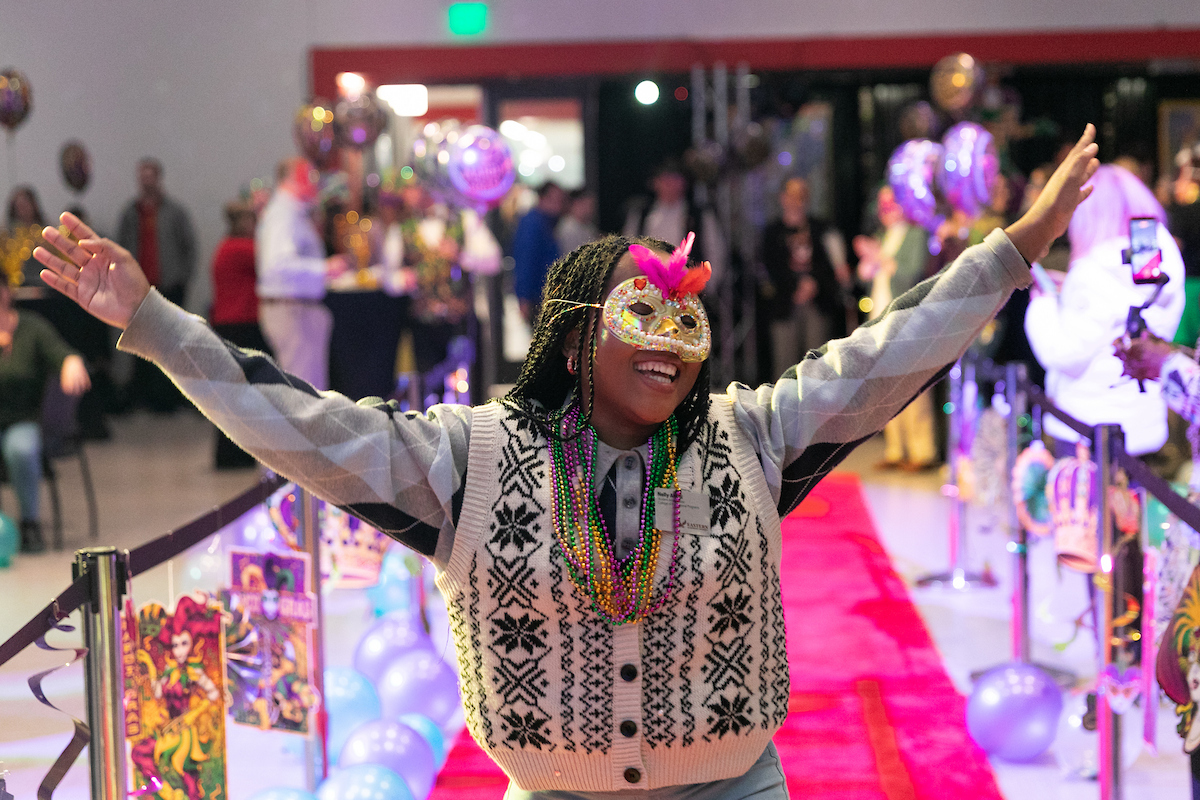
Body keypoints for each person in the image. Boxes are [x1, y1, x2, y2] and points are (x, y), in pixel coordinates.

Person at [35, 126, 1101, 800]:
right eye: (643, 314)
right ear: (577, 331)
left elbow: (888, 351)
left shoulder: (752, 435)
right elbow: (295, 421)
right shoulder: (468, 460)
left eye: (688, 322)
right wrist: (155, 322)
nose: (672, 344)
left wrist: (1016, 247)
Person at [1025, 163, 1185, 458]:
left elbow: (1063, 350)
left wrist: (1043, 305)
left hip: (1086, 425)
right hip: (1145, 422)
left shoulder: (1091, 270)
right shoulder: (1163, 261)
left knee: (1082, 503)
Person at [0, 278, 91, 552]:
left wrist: (71, 361)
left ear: (7, 292)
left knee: (20, 449)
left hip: (23, 419)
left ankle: (30, 523)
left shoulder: (31, 327)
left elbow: (62, 353)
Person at [854, 185, 937, 470]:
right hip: (880, 320)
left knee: (912, 385)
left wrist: (881, 260)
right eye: (882, 202)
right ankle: (896, 450)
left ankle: (922, 451)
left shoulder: (916, 234)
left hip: (907, 320)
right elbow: (869, 277)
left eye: (890, 201)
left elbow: (912, 275)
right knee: (886, 388)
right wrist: (869, 261)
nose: (885, 208)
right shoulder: (883, 235)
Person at [255, 158, 348, 391]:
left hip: (297, 309)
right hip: (292, 311)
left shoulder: (292, 212)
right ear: (293, 179)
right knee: (304, 394)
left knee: (308, 391)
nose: (316, 183)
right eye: (310, 176)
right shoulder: (284, 214)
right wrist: (325, 269)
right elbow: (277, 265)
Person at [116, 158, 196, 411]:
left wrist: (183, 277)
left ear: (158, 178)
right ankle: (143, 397)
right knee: (141, 342)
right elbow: (120, 247)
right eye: (142, 176)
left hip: (169, 285)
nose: (146, 180)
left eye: (151, 175)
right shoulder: (131, 212)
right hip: (139, 287)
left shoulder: (174, 211)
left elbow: (189, 246)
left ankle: (170, 398)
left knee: (170, 343)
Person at [760, 177, 849, 379]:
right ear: (783, 198)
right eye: (793, 195)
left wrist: (814, 283)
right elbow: (771, 269)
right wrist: (795, 287)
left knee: (817, 364)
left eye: (802, 195)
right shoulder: (772, 233)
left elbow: (834, 265)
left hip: (817, 303)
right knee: (784, 365)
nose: (797, 200)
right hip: (785, 305)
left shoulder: (821, 228)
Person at [209, 199, 269, 468]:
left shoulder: (225, 246)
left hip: (230, 323)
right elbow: (269, 258)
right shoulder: (240, 248)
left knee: (232, 390)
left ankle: (235, 454)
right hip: (240, 325)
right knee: (239, 391)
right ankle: (234, 455)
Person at [624, 160, 726, 287]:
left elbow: (715, 251)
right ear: (655, 183)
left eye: (675, 180)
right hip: (648, 287)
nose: (670, 185)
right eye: (665, 180)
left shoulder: (699, 215)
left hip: (688, 288)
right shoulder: (641, 215)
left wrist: (706, 285)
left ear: (684, 183)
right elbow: (629, 250)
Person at [513, 182, 568, 323]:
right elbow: (525, 260)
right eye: (556, 200)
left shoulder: (548, 222)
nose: (560, 205)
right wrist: (524, 298)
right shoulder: (533, 223)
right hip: (537, 297)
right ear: (543, 198)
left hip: (546, 295)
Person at [555, 189, 600, 255]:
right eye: (587, 204)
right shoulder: (568, 229)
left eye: (592, 205)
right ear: (576, 204)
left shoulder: (589, 226)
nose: (591, 209)